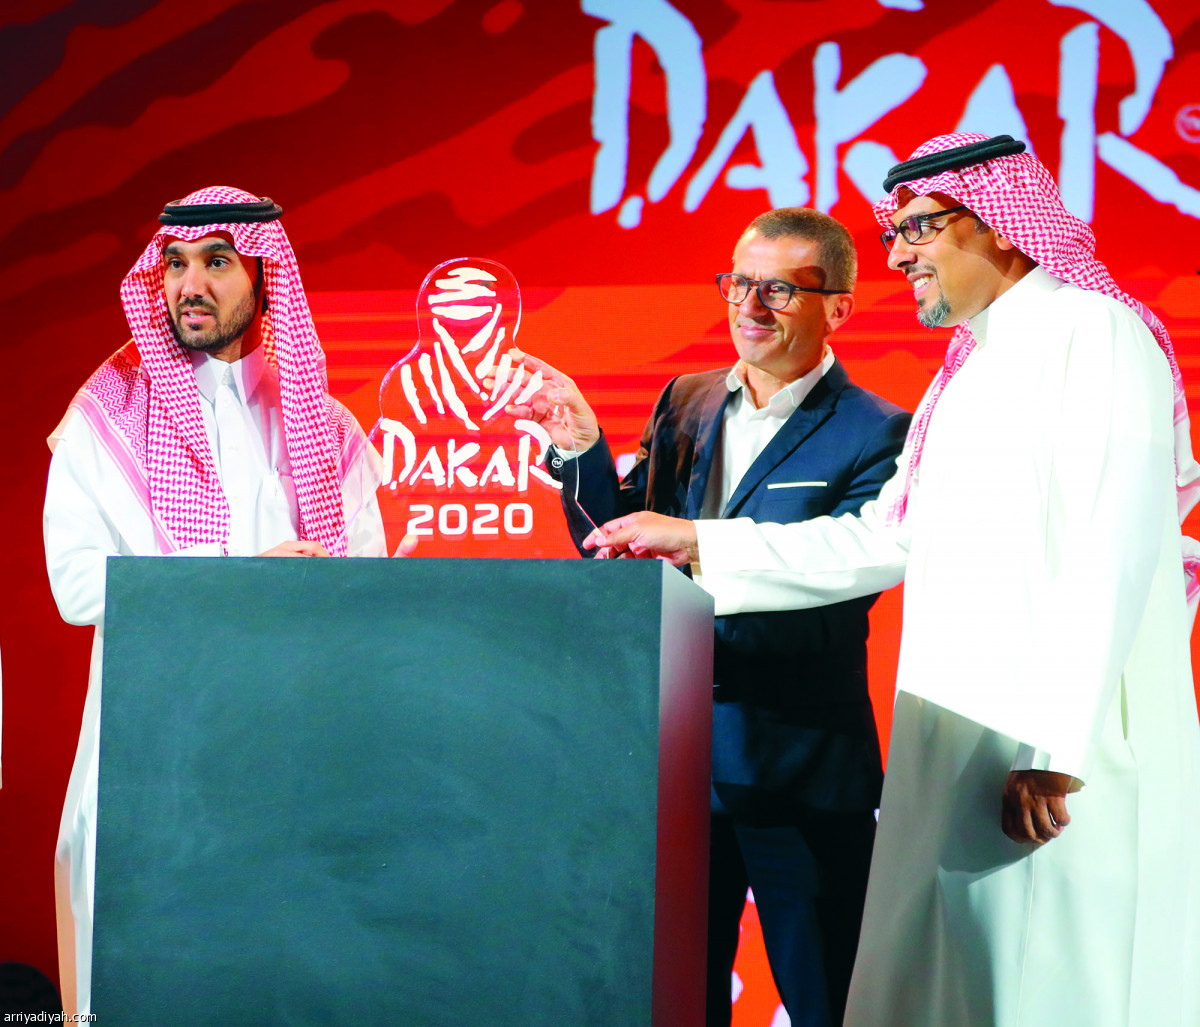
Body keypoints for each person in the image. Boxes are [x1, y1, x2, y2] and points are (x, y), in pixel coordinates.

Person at [587, 134, 1200, 1026]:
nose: (900, 253)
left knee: (1058, 979)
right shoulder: (973, 366)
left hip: (1046, 756)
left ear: (1000, 223)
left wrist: (1055, 749)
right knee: (961, 983)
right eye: (893, 232)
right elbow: (882, 538)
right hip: (960, 741)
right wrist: (692, 538)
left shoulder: (1093, 331)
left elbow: (1115, 542)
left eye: (919, 227)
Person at [503, 207, 910, 1026]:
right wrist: (580, 447)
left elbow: (840, 574)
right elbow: (621, 548)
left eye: (779, 290)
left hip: (799, 767)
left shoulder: (879, 431)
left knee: (827, 999)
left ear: (838, 307)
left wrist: (695, 542)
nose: (749, 306)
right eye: (738, 283)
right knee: (674, 998)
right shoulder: (685, 399)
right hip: (674, 764)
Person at [42, 186, 388, 1016]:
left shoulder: (327, 428)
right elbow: (77, 587)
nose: (189, 284)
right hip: (150, 758)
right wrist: (243, 576)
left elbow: (369, 593)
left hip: (293, 763)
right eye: (173, 264)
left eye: (216, 262)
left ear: (265, 277)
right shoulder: (105, 417)